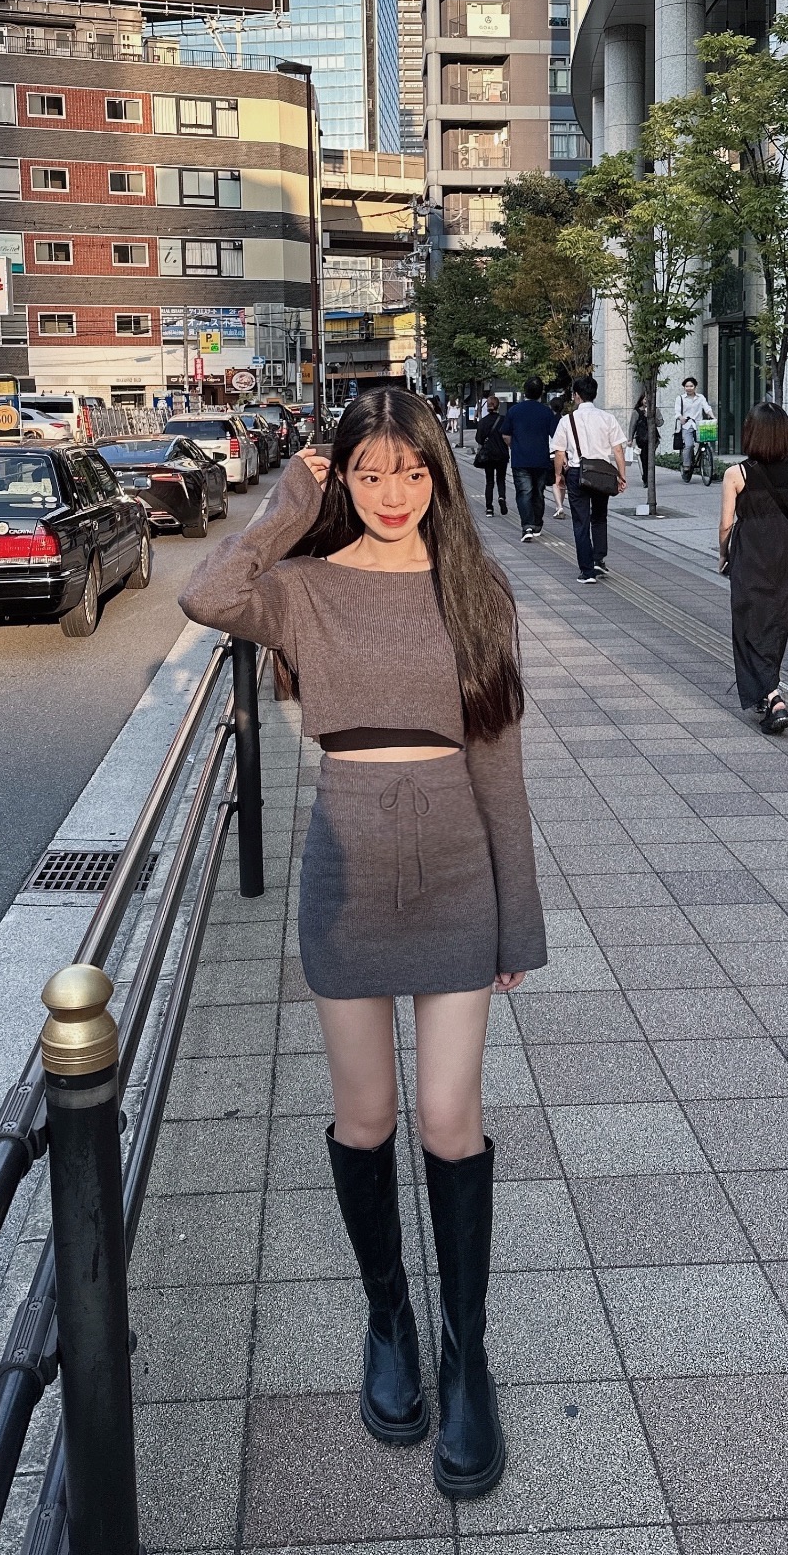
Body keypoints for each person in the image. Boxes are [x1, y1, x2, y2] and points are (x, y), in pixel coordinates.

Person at [179, 389, 546, 1499]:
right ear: (342, 476)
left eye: (413, 472)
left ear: (440, 475)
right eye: (371, 473)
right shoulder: (302, 586)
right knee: (367, 1116)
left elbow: (500, 762)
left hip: (457, 867)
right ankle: (389, 1318)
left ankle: (466, 1358)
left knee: (448, 1118)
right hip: (345, 868)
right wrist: (288, 501)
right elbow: (206, 592)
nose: (394, 494)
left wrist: (517, 919)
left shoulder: (473, 588)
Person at [719, 402, 788, 732]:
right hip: (786, 549)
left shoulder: (736, 473)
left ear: (750, 433)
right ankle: (767, 690)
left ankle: (774, 698)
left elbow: (726, 524)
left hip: (750, 547)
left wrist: (723, 554)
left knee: (748, 622)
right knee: (777, 620)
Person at [550, 375, 628, 583]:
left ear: (576, 395)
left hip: (577, 473)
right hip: (602, 473)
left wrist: (558, 475)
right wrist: (621, 475)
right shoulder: (607, 418)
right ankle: (598, 559)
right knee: (600, 516)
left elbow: (559, 452)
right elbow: (618, 450)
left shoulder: (567, 420)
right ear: (594, 394)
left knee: (581, 521)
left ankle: (587, 571)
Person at [496, 379, 558, 541]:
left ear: (525, 392)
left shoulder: (514, 411)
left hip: (520, 459)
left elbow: (505, 435)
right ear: (541, 393)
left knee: (524, 492)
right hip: (541, 459)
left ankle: (527, 526)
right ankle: (537, 524)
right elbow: (555, 436)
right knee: (538, 492)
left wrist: (514, 446)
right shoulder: (546, 412)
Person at [474, 394, 510, 516]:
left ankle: (489, 508)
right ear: (498, 406)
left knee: (489, 481)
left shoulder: (483, 422)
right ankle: (502, 497)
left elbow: (479, 439)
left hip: (488, 455)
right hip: (502, 454)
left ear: (487, 407)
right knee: (501, 479)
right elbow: (508, 436)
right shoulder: (503, 420)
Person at [674, 378, 715, 478]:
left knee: (706, 443)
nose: (689, 388)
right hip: (687, 425)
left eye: (691, 386)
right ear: (684, 387)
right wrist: (681, 418)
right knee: (689, 445)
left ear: (695, 387)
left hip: (699, 425)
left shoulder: (700, 397)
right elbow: (677, 412)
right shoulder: (680, 398)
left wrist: (712, 416)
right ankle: (686, 465)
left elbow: (707, 408)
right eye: (687, 386)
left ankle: (706, 463)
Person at [632, 394, 651, 491]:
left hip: (652, 439)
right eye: (645, 399)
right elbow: (632, 425)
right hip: (641, 439)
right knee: (644, 459)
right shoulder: (637, 411)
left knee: (650, 460)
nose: (646, 401)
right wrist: (630, 439)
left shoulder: (654, 410)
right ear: (641, 400)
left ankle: (648, 478)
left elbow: (660, 423)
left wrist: (651, 416)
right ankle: (645, 479)